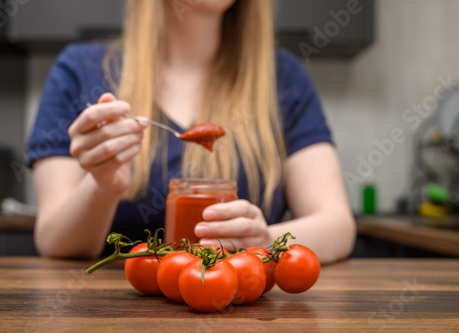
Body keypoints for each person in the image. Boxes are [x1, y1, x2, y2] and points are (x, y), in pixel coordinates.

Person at [26, 0, 356, 264]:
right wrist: (102, 184)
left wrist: (263, 240)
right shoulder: (79, 71)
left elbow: (337, 226)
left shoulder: (284, 78)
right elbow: (55, 241)